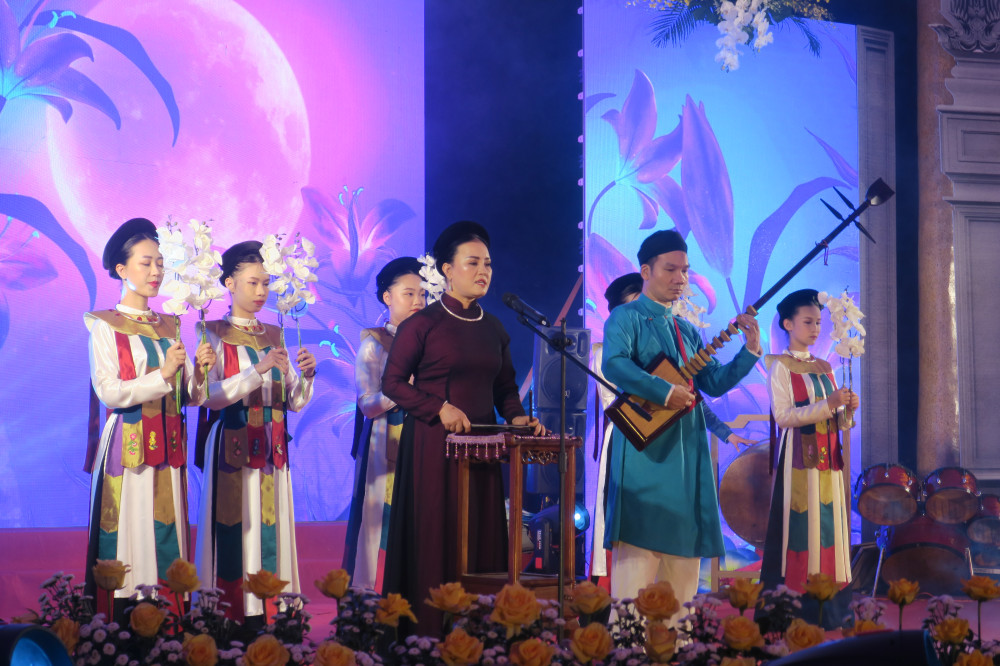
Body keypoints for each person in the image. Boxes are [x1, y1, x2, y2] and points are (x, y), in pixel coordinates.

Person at [381, 221, 542, 634]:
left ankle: (478, 632)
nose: (483, 271)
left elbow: (505, 389)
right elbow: (392, 384)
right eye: (473, 263)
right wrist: (439, 407)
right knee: (438, 535)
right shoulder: (422, 324)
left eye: (487, 263)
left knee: (480, 535)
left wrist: (517, 417)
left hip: (483, 449)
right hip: (434, 448)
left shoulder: (494, 327)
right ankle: (428, 632)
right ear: (447, 270)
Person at [601, 230, 761, 624]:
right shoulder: (626, 317)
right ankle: (628, 647)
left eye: (685, 271)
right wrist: (662, 390)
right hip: (646, 457)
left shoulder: (686, 329)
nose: (680, 278)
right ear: (646, 271)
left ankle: (679, 646)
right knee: (635, 584)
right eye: (670, 269)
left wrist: (750, 349)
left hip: (688, 458)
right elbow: (615, 365)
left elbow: (714, 382)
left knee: (682, 586)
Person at [84, 217, 216, 617]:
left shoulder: (170, 324)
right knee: (129, 529)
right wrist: (163, 374)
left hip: (169, 443)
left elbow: (189, 396)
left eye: (160, 263)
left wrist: (200, 371)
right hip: (128, 442)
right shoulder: (105, 325)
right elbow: (108, 391)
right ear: (121, 270)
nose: (156, 271)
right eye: (146, 263)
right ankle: (122, 619)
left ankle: (166, 617)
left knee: (166, 526)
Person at [194, 240, 316, 624]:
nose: (262, 291)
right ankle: (231, 611)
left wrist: (308, 377)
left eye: (266, 283)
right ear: (229, 283)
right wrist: (257, 371)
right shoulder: (212, 332)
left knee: (271, 525)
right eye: (252, 283)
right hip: (232, 440)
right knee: (237, 525)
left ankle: (272, 609)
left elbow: (293, 401)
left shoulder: (276, 335)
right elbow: (209, 397)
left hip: (273, 445)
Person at [758, 288, 856, 629]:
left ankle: (832, 604)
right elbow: (784, 417)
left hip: (829, 458)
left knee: (830, 522)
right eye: (807, 322)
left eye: (818, 323)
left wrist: (846, 410)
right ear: (787, 324)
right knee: (800, 523)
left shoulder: (825, 366)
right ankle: (795, 605)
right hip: (799, 456)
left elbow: (838, 420)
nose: (815, 329)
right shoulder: (779, 366)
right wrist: (829, 404)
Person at [343, 257, 426, 592]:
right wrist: (404, 388)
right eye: (409, 293)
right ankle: (371, 595)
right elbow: (368, 404)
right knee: (378, 519)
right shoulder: (373, 344)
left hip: (424, 441)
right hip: (383, 443)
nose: (418, 301)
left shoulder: (432, 342)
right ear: (387, 297)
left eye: (423, 294)